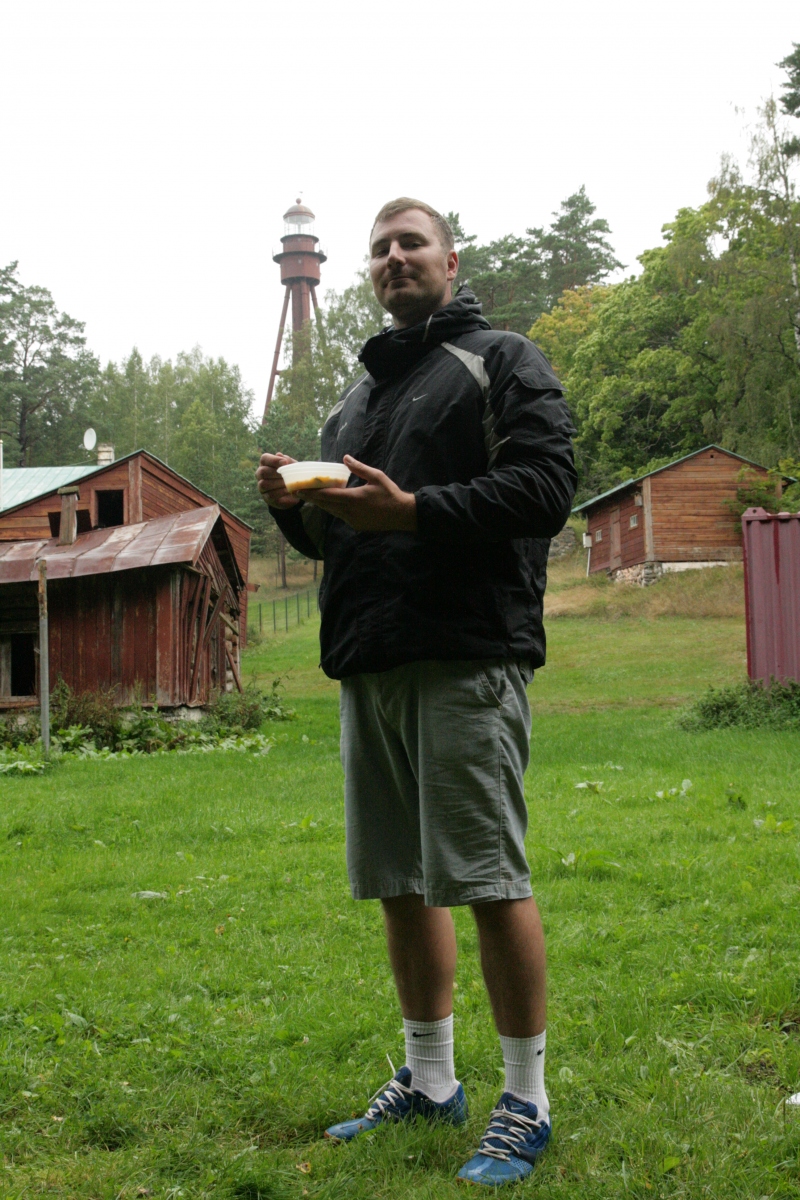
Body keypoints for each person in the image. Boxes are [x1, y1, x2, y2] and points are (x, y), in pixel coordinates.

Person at [256, 198, 576, 1187]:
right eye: (380, 249)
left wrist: (413, 513)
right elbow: (345, 534)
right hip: (371, 658)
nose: (395, 258)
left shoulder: (500, 360)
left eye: (411, 244)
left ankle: (526, 1100)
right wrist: (296, 511)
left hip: (464, 653)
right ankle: (431, 1081)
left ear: (449, 260)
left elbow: (545, 488)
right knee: (399, 880)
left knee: (485, 877)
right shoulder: (356, 399)